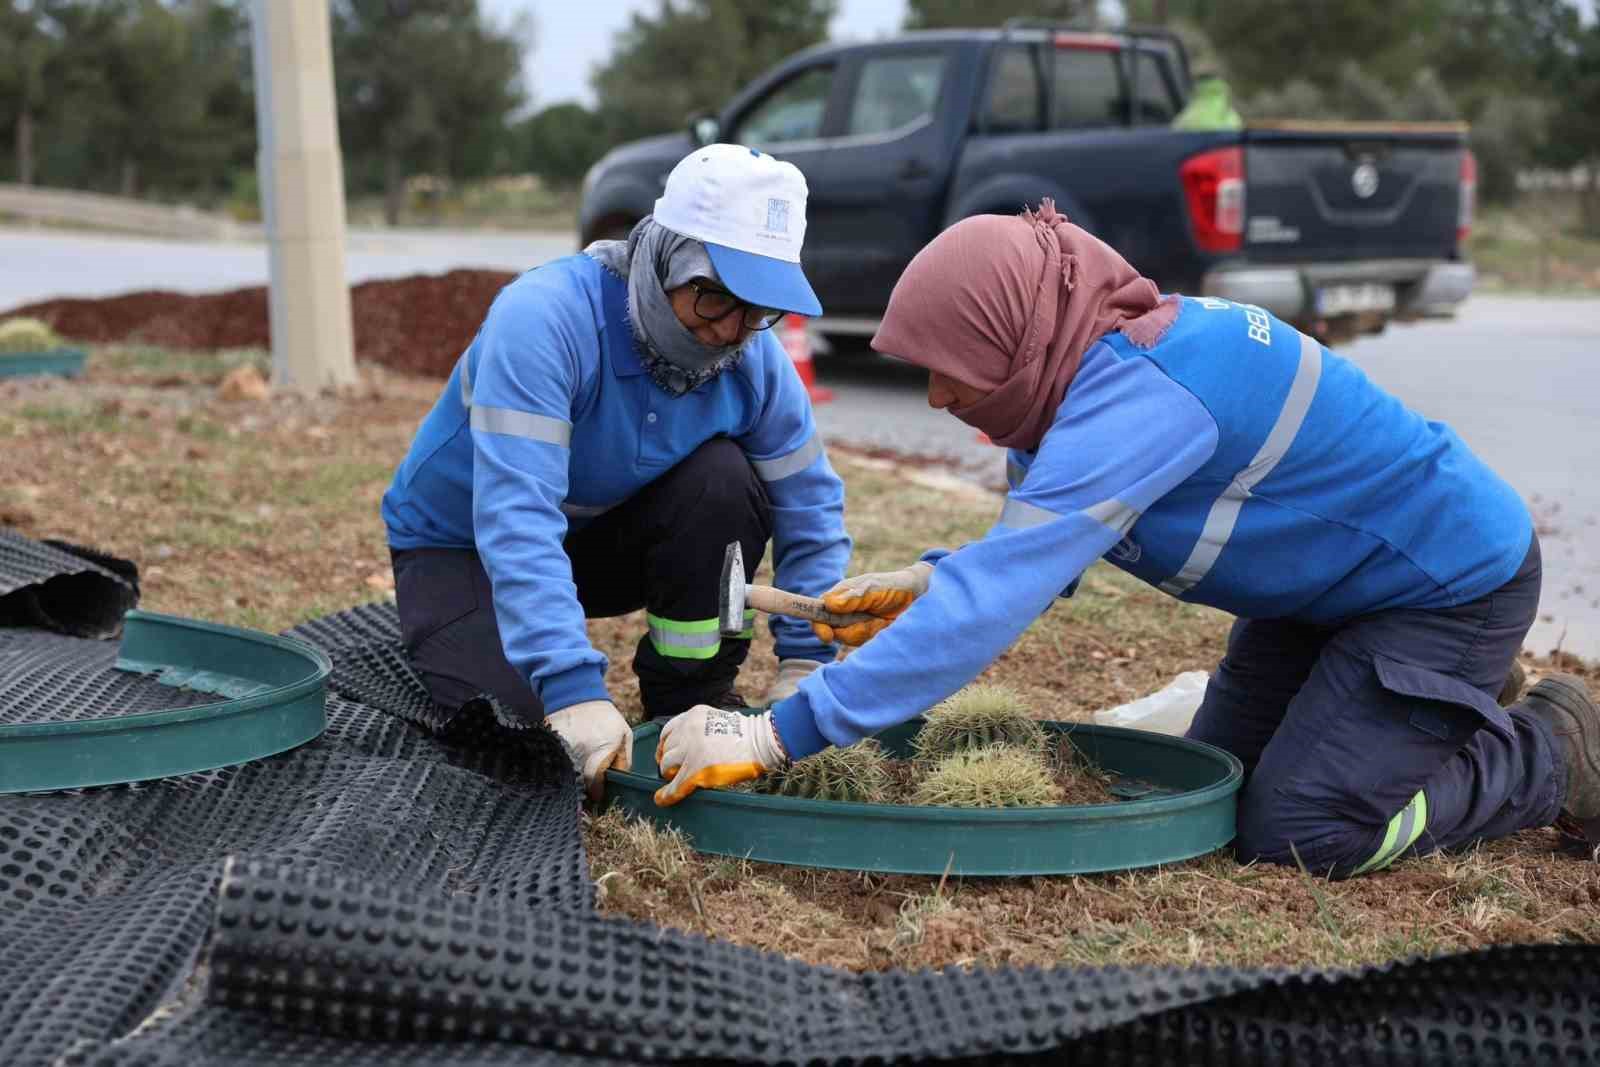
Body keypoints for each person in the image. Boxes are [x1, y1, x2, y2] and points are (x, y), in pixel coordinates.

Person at [653, 200, 1600, 877]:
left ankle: (1550, 747)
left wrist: (775, 733)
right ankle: (1430, 704)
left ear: (1009, 332)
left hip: (1446, 588)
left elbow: (1001, 598)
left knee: (1300, 831)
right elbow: (1032, 560)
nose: (937, 398)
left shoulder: (1146, 393)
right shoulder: (1065, 378)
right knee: (1220, 788)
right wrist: (933, 579)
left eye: (948, 369)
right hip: (1323, 598)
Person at [382, 144, 851, 800]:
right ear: (663, 259)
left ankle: (689, 692)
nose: (731, 331)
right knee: (523, 744)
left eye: (757, 308)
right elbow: (516, 516)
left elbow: (810, 504)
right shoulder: (545, 320)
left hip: (598, 540)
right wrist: (571, 689)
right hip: (464, 549)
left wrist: (806, 662)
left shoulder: (753, 356)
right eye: (714, 298)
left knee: (724, 478)